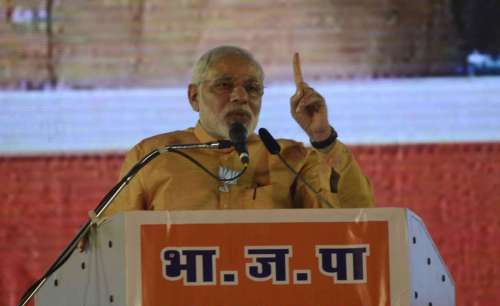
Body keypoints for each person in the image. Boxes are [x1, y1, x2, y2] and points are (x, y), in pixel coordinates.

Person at [103, 46, 374, 216]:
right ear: (194, 97)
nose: (241, 96)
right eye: (224, 85)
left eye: (253, 88)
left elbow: (354, 222)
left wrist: (322, 138)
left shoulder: (289, 158)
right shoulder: (155, 156)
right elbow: (111, 244)